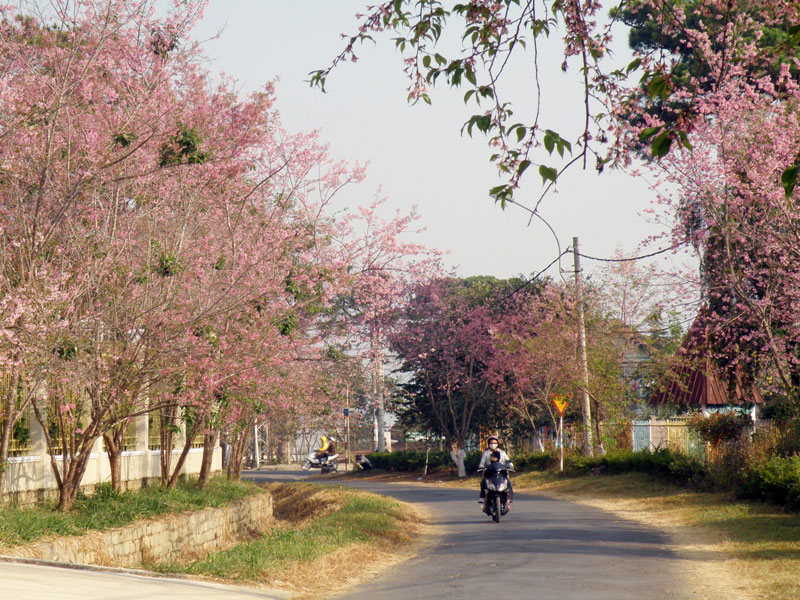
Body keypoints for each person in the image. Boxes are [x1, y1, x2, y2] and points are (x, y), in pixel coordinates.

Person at [477, 435, 514, 508]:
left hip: (501, 472)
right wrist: (481, 466)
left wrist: (510, 465)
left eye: (494, 443)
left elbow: (507, 460)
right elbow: (482, 462)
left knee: (508, 482)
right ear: (488, 443)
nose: (493, 444)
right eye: (491, 443)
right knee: (483, 482)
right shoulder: (486, 453)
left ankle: (510, 498)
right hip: (489, 472)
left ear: (497, 443)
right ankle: (482, 496)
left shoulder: (502, 452)